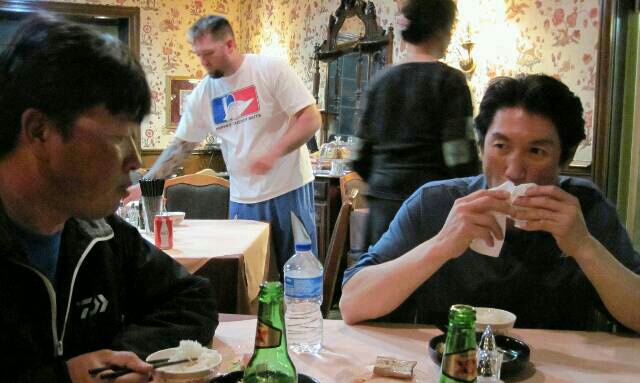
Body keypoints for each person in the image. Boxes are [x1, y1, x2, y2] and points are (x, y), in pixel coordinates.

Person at [0, 14, 218, 383]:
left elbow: (193, 298)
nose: (136, 161)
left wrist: (115, 361)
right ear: (39, 131)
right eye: (118, 138)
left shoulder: (97, 233)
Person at [340, 74, 640, 333]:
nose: (514, 170)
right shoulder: (434, 203)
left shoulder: (585, 209)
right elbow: (352, 304)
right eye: (501, 146)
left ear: (566, 158)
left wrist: (584, 246)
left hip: (561, 377)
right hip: (451, 369)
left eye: (536, 151)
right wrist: (442, 244)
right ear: (481, 147)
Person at [133, 15, 322, 273]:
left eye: (209, 53)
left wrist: (273, 153)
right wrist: (146, 184)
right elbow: (181, 147)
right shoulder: (203, 94)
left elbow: (310, 119)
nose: (203, 61)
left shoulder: (270, 69)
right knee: (248, 278)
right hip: (242, 198)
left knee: (301, 273)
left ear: (230, 45)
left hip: (288, 189)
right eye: (199, 55)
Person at [353, 0, 479, 247]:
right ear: (443, 29)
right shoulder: (450, 82)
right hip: (430, 209)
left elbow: (359, 156)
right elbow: (460, 158)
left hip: (383, 207)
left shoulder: (379, 82)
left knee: (384, 269)